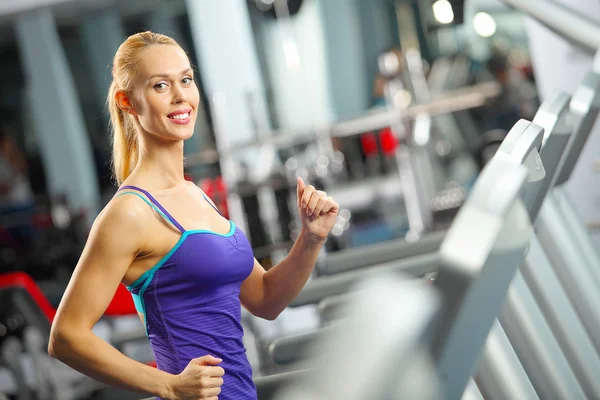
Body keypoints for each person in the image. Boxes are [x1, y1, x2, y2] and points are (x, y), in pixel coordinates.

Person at [47, 31, 339, 400]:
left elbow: (266, 299)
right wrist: (166, 384)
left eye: (186, 79)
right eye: (160, 85)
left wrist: (311, 238)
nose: (180, 95)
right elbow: (66, 337)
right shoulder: (129, 213)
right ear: (127, 101)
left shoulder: (195, 194)